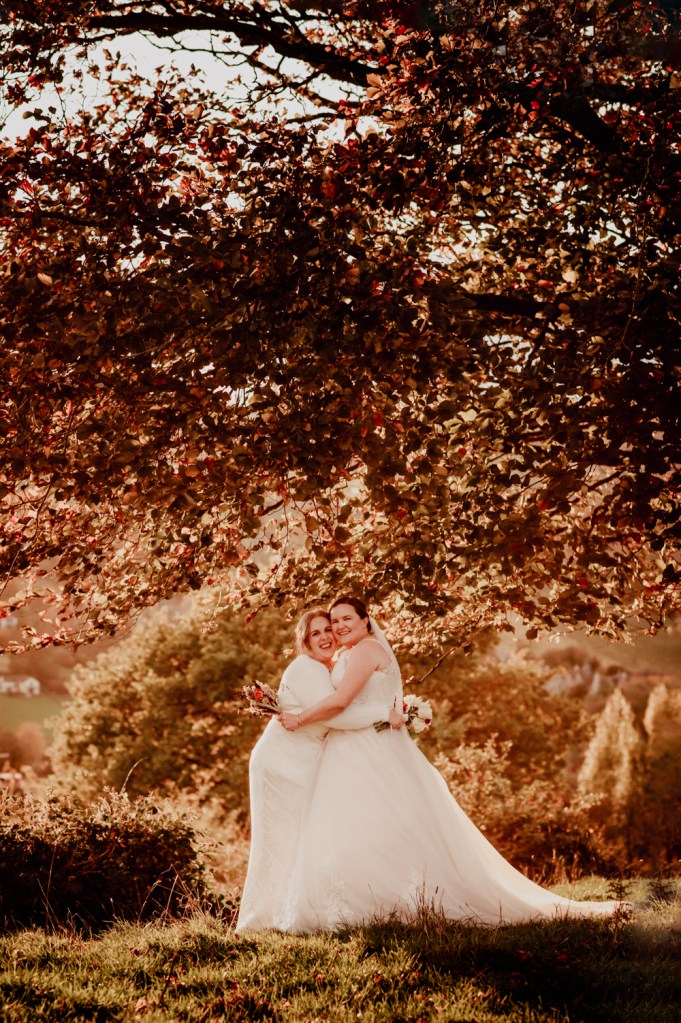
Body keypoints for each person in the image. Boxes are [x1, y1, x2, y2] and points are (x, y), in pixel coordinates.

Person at [277, 596, 626, 931]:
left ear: (365, 620)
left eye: (345, 619)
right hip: (358, 745)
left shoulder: (367, 649)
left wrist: (300, 719)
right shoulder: (352, 652)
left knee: (370, 823)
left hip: (368, 748)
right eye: (334, 621)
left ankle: (381, 902)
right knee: (361, 825)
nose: (338, 627)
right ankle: (363, 901)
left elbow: (340, 702)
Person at [235, 608, 402, 932]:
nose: (327, 636)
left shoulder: (327, 667)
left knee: (300, 840)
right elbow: (334, 716)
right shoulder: (306, 669)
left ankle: (287, 911)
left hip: (303, 762)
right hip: (281, 765)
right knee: (278, 842)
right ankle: (261, 919)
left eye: (329, 629)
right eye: (317, 633)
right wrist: (384, 711)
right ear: (304, 640)